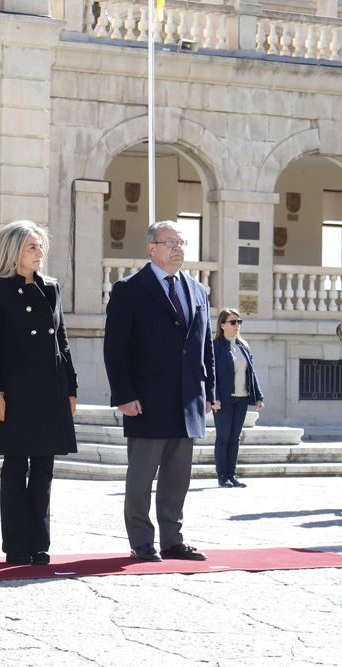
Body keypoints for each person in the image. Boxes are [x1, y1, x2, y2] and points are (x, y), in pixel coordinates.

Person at [103, 221, 215, 563]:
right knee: (141, 477)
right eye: (170, 242)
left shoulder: (197, 290)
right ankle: (141, 541)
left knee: (178, 476)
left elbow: (204, 343)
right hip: (146, 399)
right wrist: (123, 394)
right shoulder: (129, 289)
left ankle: (172, 539)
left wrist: (209, 389)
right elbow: (115, 347)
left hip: (188, 399)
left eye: (181, 242)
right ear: (151, 248)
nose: (178, 247)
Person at [0, 221, 78, 566]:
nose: (40, 253)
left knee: (45, 469)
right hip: (15, 394)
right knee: (16, 466)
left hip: (50, 390)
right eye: (32, 247)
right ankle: (17, 545)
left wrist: (71, 387)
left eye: (41, 246)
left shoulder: (51, 287)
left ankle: (39, 543)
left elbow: (61, 341)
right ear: (13, 250)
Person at [212, 308, 264, 488]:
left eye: (238, 322)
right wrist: (214, 398)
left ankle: (232, 475)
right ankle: (222, 476)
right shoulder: (215, 346)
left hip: (242, 398)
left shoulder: (244, 346)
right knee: (223, 437)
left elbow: (252, 373)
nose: (236, 326)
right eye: (232, 322)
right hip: (223, 399)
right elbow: (212, 375)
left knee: (235, 438)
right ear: (222, 325)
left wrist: (258, 396)